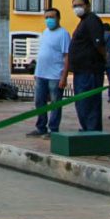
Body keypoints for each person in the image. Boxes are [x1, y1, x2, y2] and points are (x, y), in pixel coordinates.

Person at [27, 8, 71, 138]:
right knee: (39, 101)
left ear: (58, 18)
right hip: (41, 74)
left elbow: (67, 56)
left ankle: (53, 129)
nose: (49, 20)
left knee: (55, 103)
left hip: (55, 75)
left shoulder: (63, 34)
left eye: (51, 17)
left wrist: (64, 76)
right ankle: (41, 127)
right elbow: (43, 52)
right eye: (46, 17)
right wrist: (37, 71)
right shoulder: (45, 32)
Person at [67, 0, 106, 131]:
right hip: (81, 71)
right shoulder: (83, 22)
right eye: (74, 6)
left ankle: (92, 131)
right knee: (82, 104)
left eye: (80, 5)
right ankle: (87, 129)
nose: (77, 8)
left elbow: (99, 44)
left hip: (90, 71)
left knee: (89, 103)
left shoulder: (92, 20)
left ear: (88, 6)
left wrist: (105, 60)